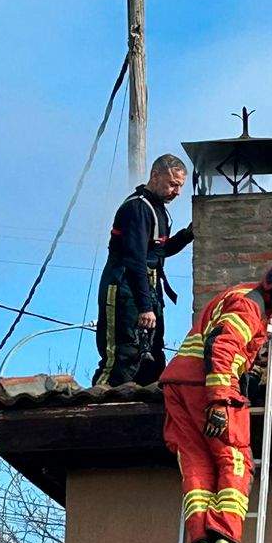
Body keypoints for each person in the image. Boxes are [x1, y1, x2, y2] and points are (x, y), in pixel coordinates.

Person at [159, 257, 272, 543]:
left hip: (178, 385)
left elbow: (222, 343)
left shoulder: (241, 298)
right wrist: (219, 400)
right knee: (235, 459)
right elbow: (221, 347)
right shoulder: (250, 307)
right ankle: (225, 540)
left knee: (196, 463)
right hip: (206, 388)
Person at [92, 154, 194, 387]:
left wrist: (188, 234)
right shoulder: (137, 208)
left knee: (152, 358)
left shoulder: (158, 210)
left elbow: (157, 252)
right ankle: (101, 411)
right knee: (123, 356)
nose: (176, 192)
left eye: (180, 186)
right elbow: (135, 259)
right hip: (124, 290)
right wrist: (145, 307)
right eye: (172, 184)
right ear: (155, 176)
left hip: (148, 290)